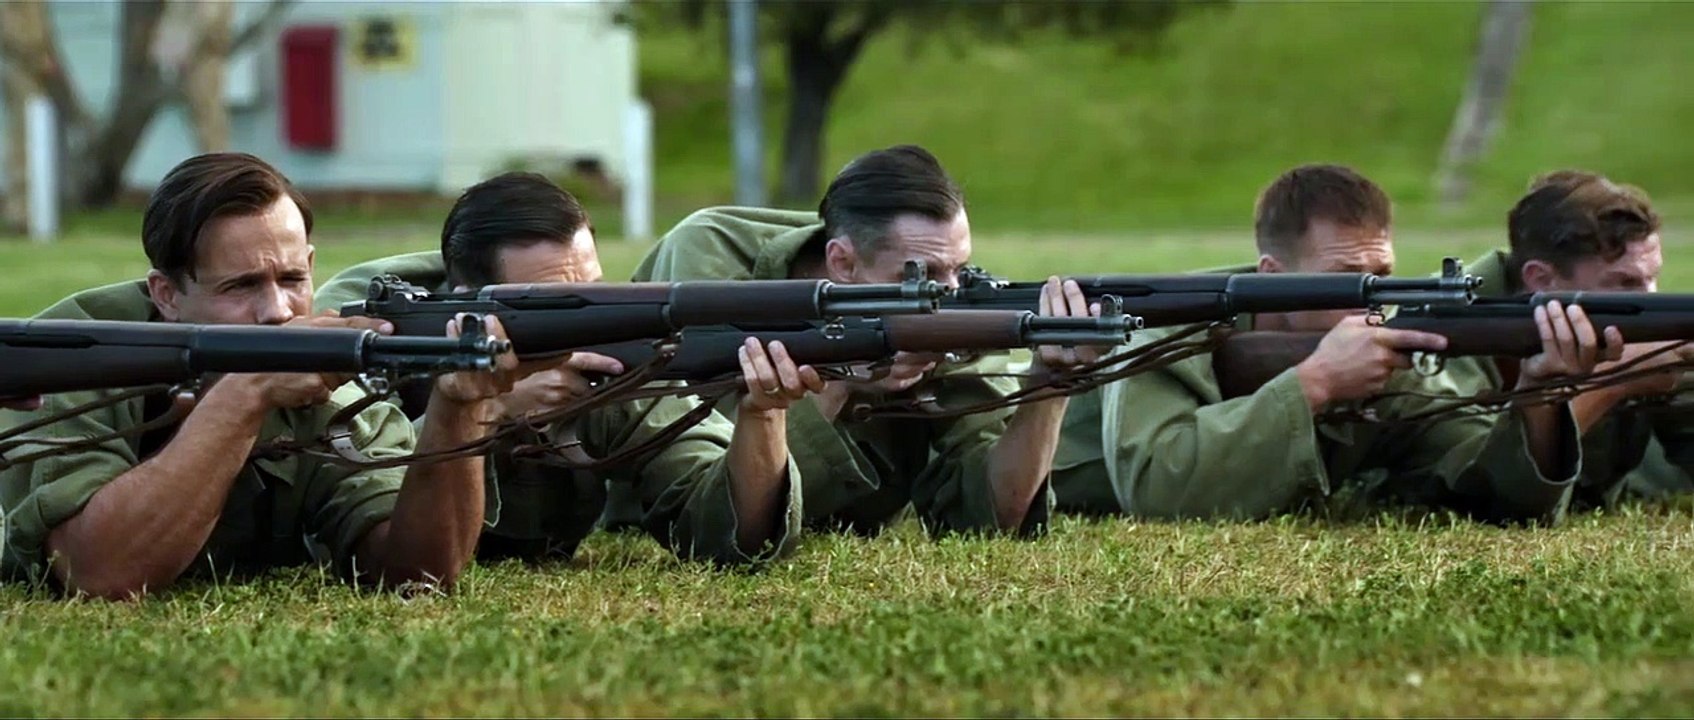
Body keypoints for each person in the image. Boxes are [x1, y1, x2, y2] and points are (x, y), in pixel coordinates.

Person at [0, 153, 528, 599]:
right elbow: (98, 574)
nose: (277, 311)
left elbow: (418, 574)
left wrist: (458, 410)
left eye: (293, 279)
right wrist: (246, 393)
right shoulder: (81, 355)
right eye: (241, 286)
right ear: (167, 295)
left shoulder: (331, 388)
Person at [1051, 164, 1614, 524]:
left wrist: (1540, 400)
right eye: (1346, 280)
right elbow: (1155, 490)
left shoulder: (1381, 356)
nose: (1368, 306)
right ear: (1272, 277)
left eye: (1382, 277)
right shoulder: (1169, 322)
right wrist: (1315, 383)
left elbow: (1490, 495)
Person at [314, 172, 815, 565]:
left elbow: (727, 535)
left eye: (592, 293)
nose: (584, 324)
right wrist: (488, 407)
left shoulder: (601, 355)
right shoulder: (376, 335)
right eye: (556, 304)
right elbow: (360, 505)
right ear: (467, 303)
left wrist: (762, 414)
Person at [629, 144, 1106, 538]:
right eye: (919, 275)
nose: (948, 296)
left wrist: (1050, 386)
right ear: (841, 262)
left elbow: (991, 516)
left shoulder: (950, 306)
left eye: (958, 269)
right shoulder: (712, 260)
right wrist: (841, 379)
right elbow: (708, 495)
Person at [1444, 170, 1694, 508]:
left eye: (1652, 279)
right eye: (1625, 283)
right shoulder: (1447, 333)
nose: (1650, 300)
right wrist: (1611, 382)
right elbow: (1480, 490)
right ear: (1541, 279)